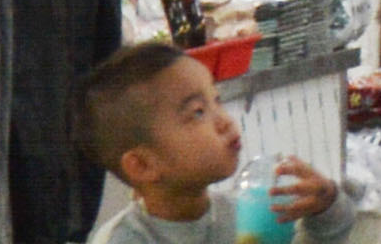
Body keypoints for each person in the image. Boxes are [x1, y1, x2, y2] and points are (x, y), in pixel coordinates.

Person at [84, 37, 355, 239]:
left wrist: (326, 207)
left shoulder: (242, 213)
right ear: (143, 165)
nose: (225, 121)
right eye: (198, 112)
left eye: (217, 100)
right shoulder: (123, 239)